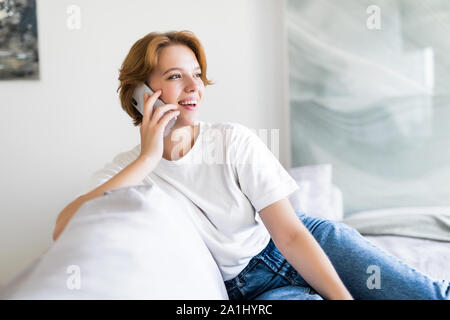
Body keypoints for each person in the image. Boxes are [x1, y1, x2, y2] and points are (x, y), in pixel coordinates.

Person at [52, 30, 449, 300]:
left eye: (197, 75)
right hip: (250, 291)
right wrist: (148, 159)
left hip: (302, 244)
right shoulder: (129, 171)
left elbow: (291, 236)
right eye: (176, 77)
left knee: (430, 295)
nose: (194, 88)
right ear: (141, 93)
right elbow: (63, 229)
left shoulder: (231, 138)